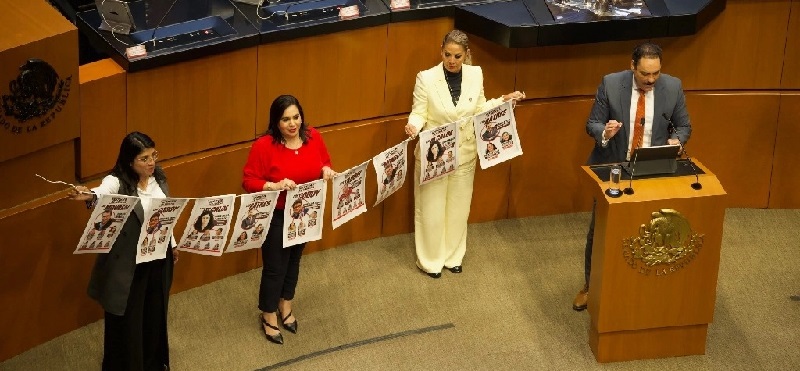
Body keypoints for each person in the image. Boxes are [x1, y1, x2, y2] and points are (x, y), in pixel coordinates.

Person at [574, 42, 691, 311]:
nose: (651, 80)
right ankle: (591, 286)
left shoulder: (672, 87)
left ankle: (640, 288)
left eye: (655, 74)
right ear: (632, 66)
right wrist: (605, 131)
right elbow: (592, 123)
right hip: (615, 166)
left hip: (653, 168)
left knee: (648, 230)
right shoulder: (612, 84)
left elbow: (684, 125)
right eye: (644, 74)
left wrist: (678, 141)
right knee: (601, 231)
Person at [404, 29, 525, 278]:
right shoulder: (426, 78)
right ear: (441, 52)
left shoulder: (476, 74)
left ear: (466, 55)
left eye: (457, 56)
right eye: (447, 54)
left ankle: (453, 256)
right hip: (435, 156)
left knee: (459, 207)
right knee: (431, 208)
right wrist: (413, 126)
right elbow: (419, 112)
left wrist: (504, 100)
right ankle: (430, 261)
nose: (452, 60)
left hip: (465, 152)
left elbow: (479, 109)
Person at [68, 132, 178, 371]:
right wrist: (88, 195)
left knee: (154, 315)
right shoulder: (117, 181)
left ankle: (152, 364)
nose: (151, 163)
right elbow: (100, 192)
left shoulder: (159, 177)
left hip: (159, 258)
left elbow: (164, 215)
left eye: (153, 155)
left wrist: (173, 244)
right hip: (130, 265)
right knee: (129, 320)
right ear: (130, 161)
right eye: (144, 158)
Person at [242, 94, 336, 345]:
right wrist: (273, 185)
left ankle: (286, 305)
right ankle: (268, 314)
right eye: (286, 119)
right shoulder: (263, 145)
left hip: (304, 213)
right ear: (276, 122)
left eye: (296, 117)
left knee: (294, 261)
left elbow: (324, 162)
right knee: (275, 267)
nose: (293, 124)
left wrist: (325, 170)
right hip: (276, 214)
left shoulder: (314, 136)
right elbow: (249, 180)